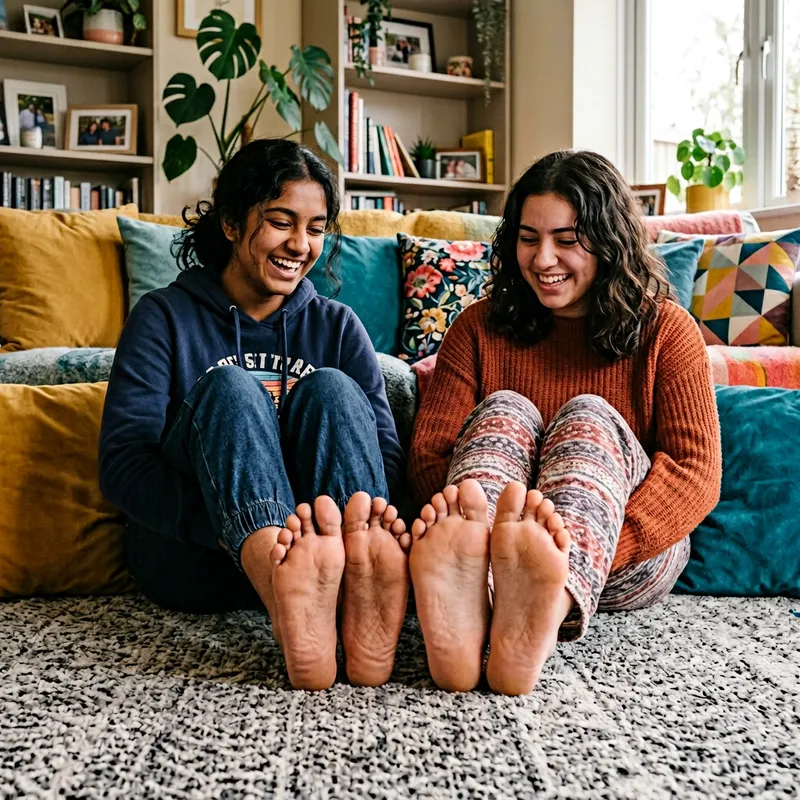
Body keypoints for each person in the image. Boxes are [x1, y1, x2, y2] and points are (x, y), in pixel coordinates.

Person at [99, 138, 411, 691]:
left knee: (334, 389)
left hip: (325, 558)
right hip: (198, 562)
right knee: (230, 388)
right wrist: (226, 531)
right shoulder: (163, 317)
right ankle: (291, 595)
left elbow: (382, 455)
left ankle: (353, 596)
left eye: (315, 228)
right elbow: (124, 463)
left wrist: (325, 533)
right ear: (229, 222)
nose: (300, 243)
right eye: (279, 221)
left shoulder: (337, 326)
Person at [407, 149, 722, 696]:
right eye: (529, 238)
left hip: (627, 556)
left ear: (609, 239)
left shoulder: (667, 330)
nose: (544, 258)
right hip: (488, 546)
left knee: (588, 413)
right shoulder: (478, 328)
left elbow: (697, 472)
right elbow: (430, 454)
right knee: (507, 406)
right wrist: (501, 537)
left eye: (568, 239)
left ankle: (540, 605)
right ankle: (482, 602)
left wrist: (579, 549)